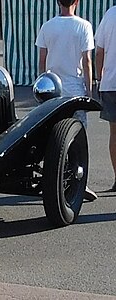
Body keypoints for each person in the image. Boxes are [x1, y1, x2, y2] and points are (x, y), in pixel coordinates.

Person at [35, 0, 98, 201]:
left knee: (52, 136)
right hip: (74, 87)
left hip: (53, 87)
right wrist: (89, 89)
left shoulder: (47, 26)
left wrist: (43, 83)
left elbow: (42, 60)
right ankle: (79, 182)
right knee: (77, 138)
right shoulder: (84, 26)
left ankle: (52, 180)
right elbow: (86, 61)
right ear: (77, 2)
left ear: (57, 3)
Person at [96, 5, 116, 191]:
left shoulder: (110, 14)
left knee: (114, 134)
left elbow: (99, 50)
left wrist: (98, 77)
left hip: (111, 83)